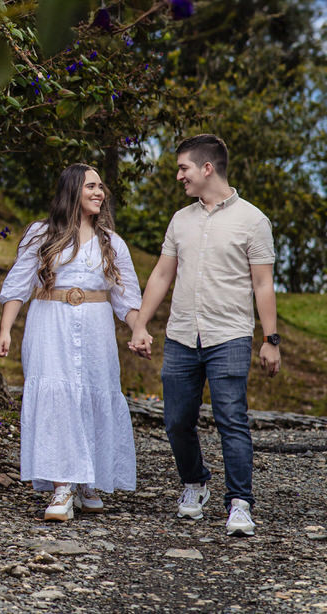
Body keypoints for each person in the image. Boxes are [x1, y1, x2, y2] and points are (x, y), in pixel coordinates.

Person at [129, 134, 278, 537]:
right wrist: (140, 323)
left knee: (232, 420)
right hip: (180, 336)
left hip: (228, 335)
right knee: (177, 421)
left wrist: (271, 338)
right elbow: (162, 274)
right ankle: (195, 483)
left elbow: (263, 284)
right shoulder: (181, 219)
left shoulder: (253, 220)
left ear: (206, 168)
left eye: (184, 168)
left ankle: (240, 503)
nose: (180, 176)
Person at [0, 164, 143, 522]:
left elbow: (127, 299)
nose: (99, 192)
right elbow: (18, 286)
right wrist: (5, 330)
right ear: (72, 190)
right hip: (50, 323)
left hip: (96, 328)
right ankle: (63, 486)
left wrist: (139, 330)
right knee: (57, 398)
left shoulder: (113, 243)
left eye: (101, 187)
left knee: (93, 393)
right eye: (91, 186)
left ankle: (86, 478)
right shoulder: (41, 234)